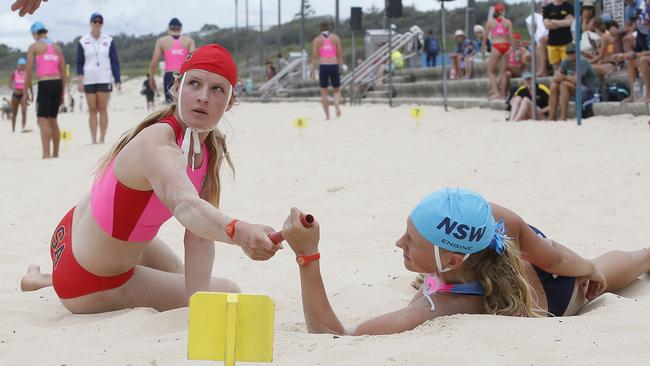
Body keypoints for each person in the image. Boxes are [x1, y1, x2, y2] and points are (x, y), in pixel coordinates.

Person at [20, 44, 282, 314]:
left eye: (217, 89)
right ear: (177, 87)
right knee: (227, 291)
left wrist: (197, 308)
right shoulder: (158, 142)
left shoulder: (206, 150)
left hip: (73, 236)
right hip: (91, 282)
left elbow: (200, 235)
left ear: (230, 101)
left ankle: (41, 279)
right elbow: (187, 208)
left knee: (188, 278)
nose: (203, 97)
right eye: (194, 84)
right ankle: (58, 280)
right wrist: (239, 232)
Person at [280, 187, 650, 335]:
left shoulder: (443, 304)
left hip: (552, 301)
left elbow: (337, 337)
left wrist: (306, 255)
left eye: (411, 241)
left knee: (591, 287)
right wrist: (588, 267)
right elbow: (554, 255)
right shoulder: (490, 217)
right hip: (534, 260)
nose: (399, 242)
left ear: (452, 260)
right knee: (600, 270)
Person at [77, 12, 121, 144]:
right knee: (92, 110)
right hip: (89, 79)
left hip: (104, 78)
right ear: (91, 23)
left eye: (99, 22)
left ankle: (102, 137)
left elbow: (114, 61)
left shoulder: (108, 40)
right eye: (95, 21)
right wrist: (80, 80)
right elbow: (79, 62)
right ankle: (93, 138)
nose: (97, 24)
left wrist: (117, 79)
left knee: (102, 108)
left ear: (102, 24)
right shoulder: (83, 41)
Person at [25, 21, 66, 159]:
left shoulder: (34, 46)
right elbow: (63, 72)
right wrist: (63, 92)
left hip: (45, 83)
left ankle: (46, 155)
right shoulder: (57, 48)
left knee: (42, 120)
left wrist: (27, 90)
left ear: (35, 33)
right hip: (57, 83)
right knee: (53, 119)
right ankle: (56, 154)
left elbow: (29, 70)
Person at [150, 18, 196, 104]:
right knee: (184, 104)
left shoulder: (161, 41)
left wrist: (151, 78)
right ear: (181, 28)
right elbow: (194, 60)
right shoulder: (189, 41)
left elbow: (154, 62)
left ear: (168, 28)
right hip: (183, 75)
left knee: (170, 105)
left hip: (169, 76)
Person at [549, 43, 599, 121]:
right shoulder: (565, 62)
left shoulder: (582, 62)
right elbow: (556, 76)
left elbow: (576, 80)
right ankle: (551, 117)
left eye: (572, 52)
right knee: (553, 85)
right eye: (568, 52)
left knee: (564, 85)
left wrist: (563, 77)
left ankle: (563, 116)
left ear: (577, 52)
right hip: (577, 89)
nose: (570, 54)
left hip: (588, 91)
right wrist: (559, 77)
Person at [311, 20, 344, 120]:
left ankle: (327, 116)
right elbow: (339, 54)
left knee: (324, 92)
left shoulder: (317, 40)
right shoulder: (335, 38)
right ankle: (336, 104)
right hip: (334, 65)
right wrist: (341, 65)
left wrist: (313, 71)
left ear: (320, 29)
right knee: (337, 90)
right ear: (329, 28)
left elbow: (314, 57)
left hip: (323, 66)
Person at [484, 3, 514, 99]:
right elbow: (511, 37)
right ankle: (503, 94)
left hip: (496, 46)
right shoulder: (508, 22)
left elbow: (485, 39)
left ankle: (496, 92)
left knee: (490, 72)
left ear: (495, 11)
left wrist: (483, 51)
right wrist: (513, 49)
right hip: (506, 46)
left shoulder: (490, 22)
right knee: (503, 72)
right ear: (503, 11)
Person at [543, 0, 575, 71]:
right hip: (552, 43)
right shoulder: (547, 8)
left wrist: (554, 21)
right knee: (556, 69)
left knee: (566, 67)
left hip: (566, 42)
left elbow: (569, 22)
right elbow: (547, 25)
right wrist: (562, 22)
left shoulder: (568, 6)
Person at [526, 4, 549, 76]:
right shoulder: (538, 19)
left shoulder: (550, 17)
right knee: (527, 56)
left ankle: (542, 71)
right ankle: (535, 73)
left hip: (551, 42)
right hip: (540, 44)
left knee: (539, 46)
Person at [9, 57, 29, 132]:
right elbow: (10, 81)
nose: (21, 67)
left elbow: (29, 83)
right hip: (15, 94)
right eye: (20, 65)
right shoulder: (14, 72)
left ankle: (23, 127)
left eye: (23, 65)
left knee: (24, 111)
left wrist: (30, 94)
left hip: (23, 95)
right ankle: (13, 129)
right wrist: (12, 87)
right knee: (14, 113)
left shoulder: (26, 73)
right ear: (18, 65)